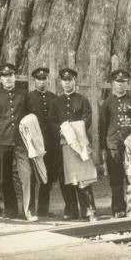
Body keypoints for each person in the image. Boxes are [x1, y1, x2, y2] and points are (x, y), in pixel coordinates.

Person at [0, 63, 36, 221]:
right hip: (2, 141)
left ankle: (29, 210)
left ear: (15, 77)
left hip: (21, 142)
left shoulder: (23, 94)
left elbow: (31, 117)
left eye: (11, 75)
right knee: (4, 177)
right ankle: (11, 209)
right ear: (0, 79)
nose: (8, 79)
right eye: (5, 76)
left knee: (27, 174)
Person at [51, 68, 97, 221]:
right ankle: (71, 209)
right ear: (60, 82)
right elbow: (52, 122)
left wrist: (75, 130)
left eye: (70, 80)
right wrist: (63, 130)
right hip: (63, 144)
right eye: (65, 81)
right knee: (65, 177)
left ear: (74, 81)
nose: (67, 84)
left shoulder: (82, 100)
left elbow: (87, 119)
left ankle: (88, 209)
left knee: (83, 176)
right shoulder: (56, 102)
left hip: (79, 144)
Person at [99, 68, 131, 218]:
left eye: (123, 82)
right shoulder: (107, 103)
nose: (120, 85)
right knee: (116, 180)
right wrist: (104, 148)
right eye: (117, 82)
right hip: (113, 148)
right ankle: (118, 209)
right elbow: (102, 127)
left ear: (128, 83)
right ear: (113, 83)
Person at [27, 67, 58, 218]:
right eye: (39, 79)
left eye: (44, 78)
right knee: (32, 175)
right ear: (34, 81)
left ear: (48, 80)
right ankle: (31, 208)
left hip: (51, 143)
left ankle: (43, 209)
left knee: (48, 176)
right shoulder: (28, 98)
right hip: (34, 143)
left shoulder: (54, 98)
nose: (42, 81)